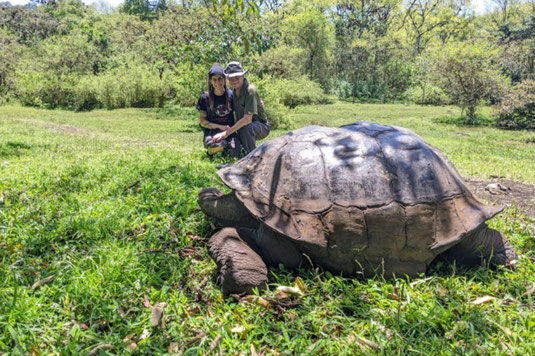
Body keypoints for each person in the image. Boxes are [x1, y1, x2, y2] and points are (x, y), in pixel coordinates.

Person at [212, 61, 270, 155]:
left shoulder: (250, 90)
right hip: (244, 127)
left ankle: (253, 157)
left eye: (237, 77)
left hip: (261, 126)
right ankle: (241, 152)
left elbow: (247, 119)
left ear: (243, 76)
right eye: (231, 78)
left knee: (246, 128)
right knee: (238, 132)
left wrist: (226, 133)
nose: (234, 80)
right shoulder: (233, 92)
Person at [196, 63, 241, 157]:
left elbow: (244, 107)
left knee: (235, 153)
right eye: (214, 79)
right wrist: (220, 126)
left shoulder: (232, 96)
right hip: (212, 132)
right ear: (210, 81)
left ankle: (227, 149)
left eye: (220, 78)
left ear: (224, 79)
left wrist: (259, 103)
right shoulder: (205, 98)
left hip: (229, 132)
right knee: (215, 147)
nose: (217, 82)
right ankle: (216, 148)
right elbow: (202, 122)